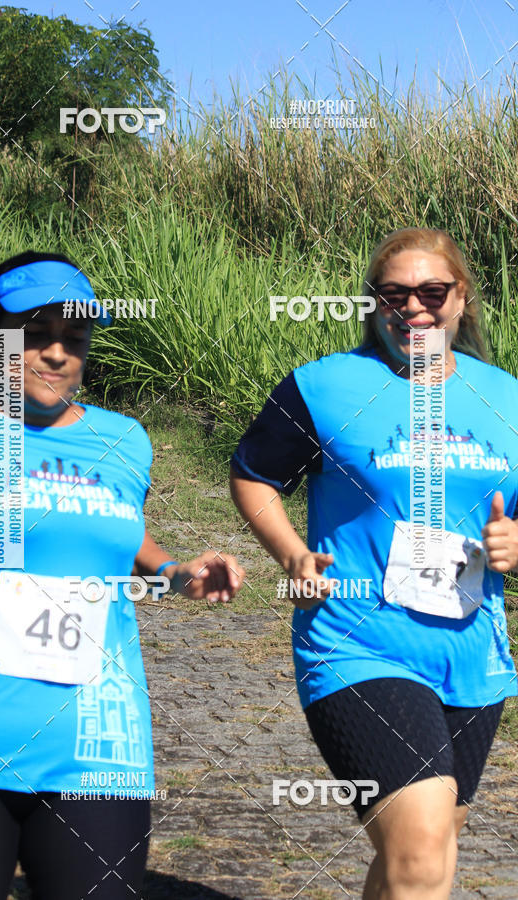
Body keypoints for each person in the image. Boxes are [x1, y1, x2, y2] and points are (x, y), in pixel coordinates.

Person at [0, 250, 244, 900]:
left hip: (98, 747)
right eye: (34, 334)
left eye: (75, 337)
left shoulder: (124, 442)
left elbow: (114, 535)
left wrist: (178, 573)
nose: (58, 354)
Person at [230, 228, 518, 899]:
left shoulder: (505, 399)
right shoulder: (326, 387)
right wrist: (293, 553)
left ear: (462, 298)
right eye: (394, 295)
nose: (413, 308)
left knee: (422, 859)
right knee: (420, 850)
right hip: (357, 644)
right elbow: (253, 475)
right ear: (373, 304)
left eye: (431, 292)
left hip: (472, 658)